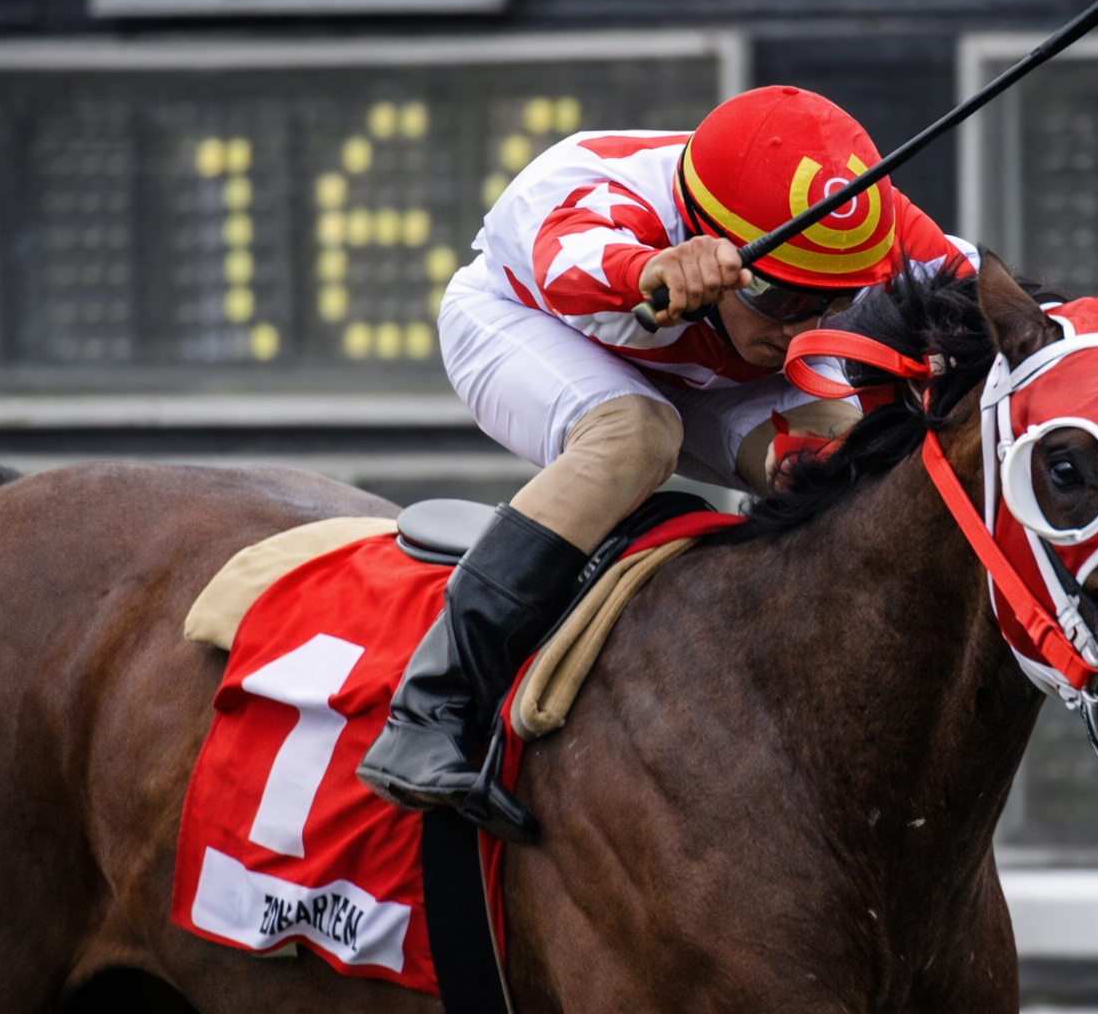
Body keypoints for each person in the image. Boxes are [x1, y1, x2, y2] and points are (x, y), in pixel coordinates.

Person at [358, 85, 977, 841]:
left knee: (837, 470)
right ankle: (432, 705)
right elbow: (573, 266)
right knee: (636, 435)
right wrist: (653, 269)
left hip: (717, 367)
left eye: (834, 301)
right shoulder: (594, 191)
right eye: (784, 303)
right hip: (529, 323)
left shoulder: (865, 222)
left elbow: (981, 291)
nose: (806, 330)